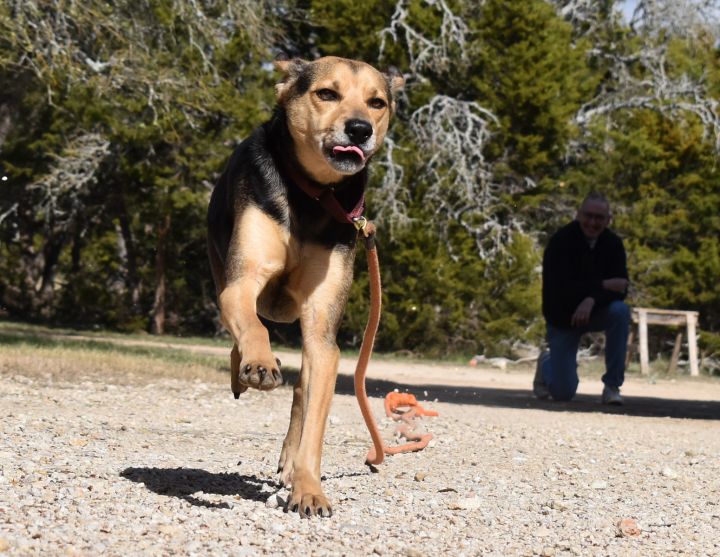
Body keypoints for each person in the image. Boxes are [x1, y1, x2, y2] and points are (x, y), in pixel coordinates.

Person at [534, 192, 630, 404]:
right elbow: (560, 288)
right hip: (562, 317)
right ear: (578, 215)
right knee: (563, 394)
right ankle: (548, 363)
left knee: (620, 312)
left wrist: (591, 299)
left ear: (608, 220)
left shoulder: (613, 244)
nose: (593, 222)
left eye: (599, 218)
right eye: (588, 215)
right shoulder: (561, 241)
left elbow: (621, 288)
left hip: (596, 311)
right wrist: (602, 285)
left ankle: (612, 386)